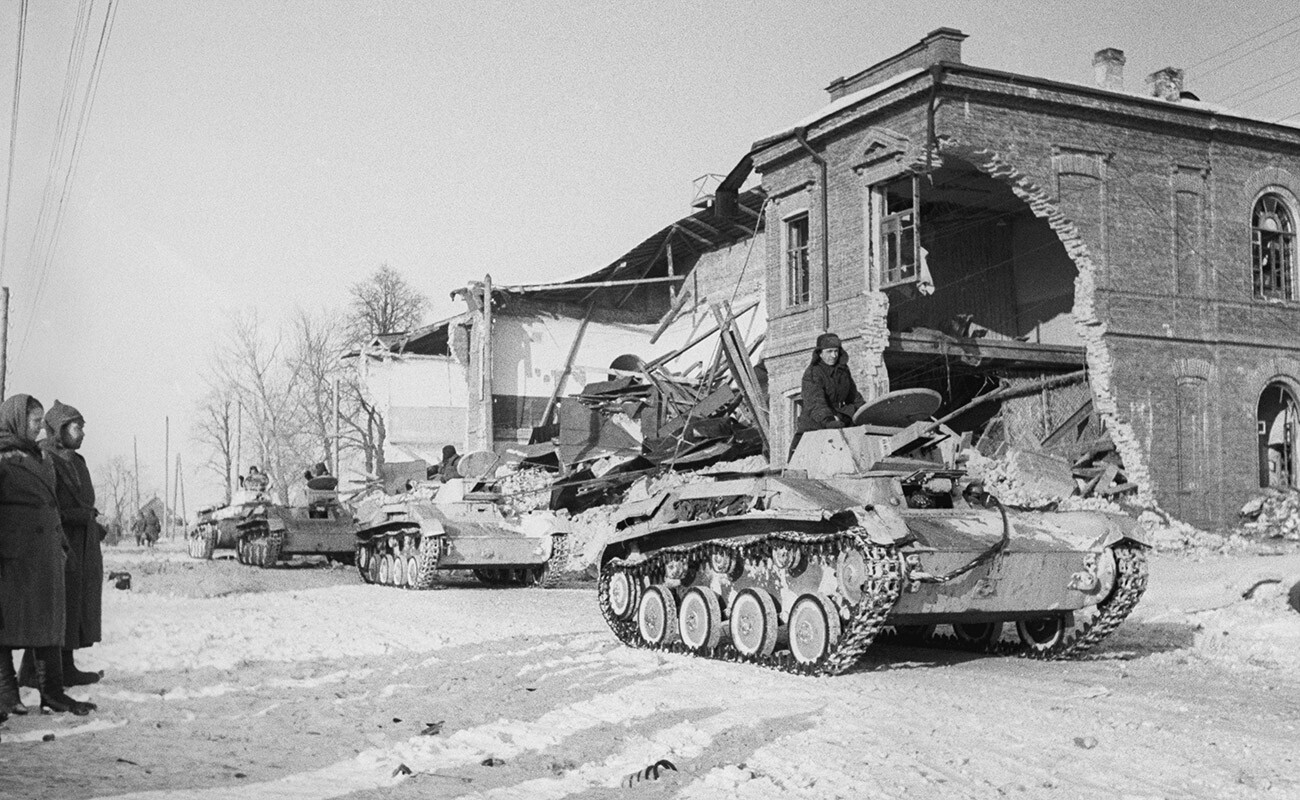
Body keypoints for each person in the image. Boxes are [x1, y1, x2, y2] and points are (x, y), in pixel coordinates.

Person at [0, 394, 95, 716]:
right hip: (12, 556)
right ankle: (5, 694)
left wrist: (62, 547)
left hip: (46, 553)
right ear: (15, 419)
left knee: (48, 623)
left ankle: (52, 694)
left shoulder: (38, 458)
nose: (40, 427)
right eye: (34, 421)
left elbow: (50, 504)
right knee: (6, 625)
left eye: (42, 421)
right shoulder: (2, 456)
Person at [39, 401, 104, 687]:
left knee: (75, 604)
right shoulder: (44, 458)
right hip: (59, 541)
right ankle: (41, 672)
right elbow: (46, 506)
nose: (82, 433)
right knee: (57, 606)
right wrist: (77, 516)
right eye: (78, 427)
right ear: (60, 429)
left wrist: (92, 523)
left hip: (83, 542)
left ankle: (67, 666)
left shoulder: (77, 461)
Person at [791, 332, 866, 457]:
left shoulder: (842, 370)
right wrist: (828, 420)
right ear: (820, 353)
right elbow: (816, 402)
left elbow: (853, 395)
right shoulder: (813, 373)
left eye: (836, 351)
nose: (834, 355)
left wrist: (865, 412)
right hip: (815, 420)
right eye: (829, 351)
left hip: (838, 414)